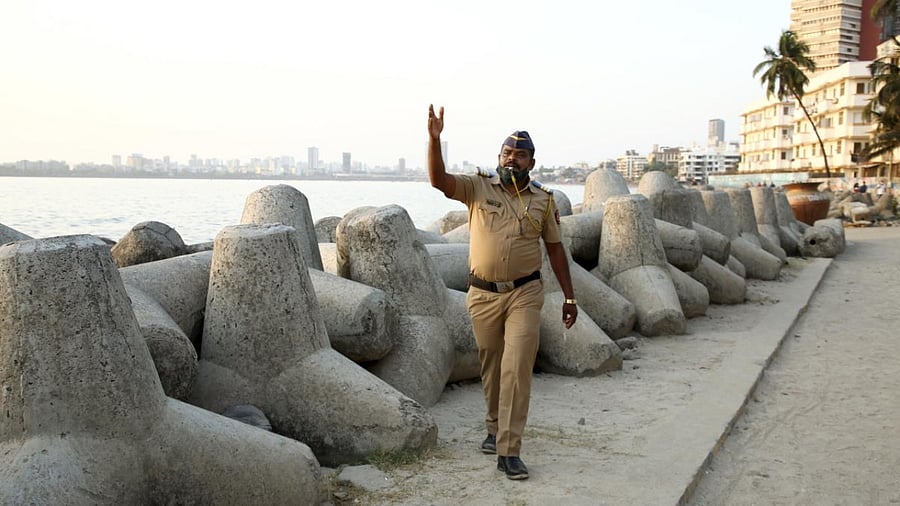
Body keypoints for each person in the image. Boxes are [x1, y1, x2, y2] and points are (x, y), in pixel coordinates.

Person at [426, 104, 577, 480]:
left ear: (531, 162)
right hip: (482, 294)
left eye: (520, 154)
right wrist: (434, 139)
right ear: (499, 157)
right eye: (507, 153)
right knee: (492, 367)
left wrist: (570, 298)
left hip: (525, 293)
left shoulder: (544, 201)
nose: (513, 158)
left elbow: (555, 248)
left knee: (517, 368)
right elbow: (438, 180)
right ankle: (494, 427)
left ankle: (509, 450)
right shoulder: (478, 186)